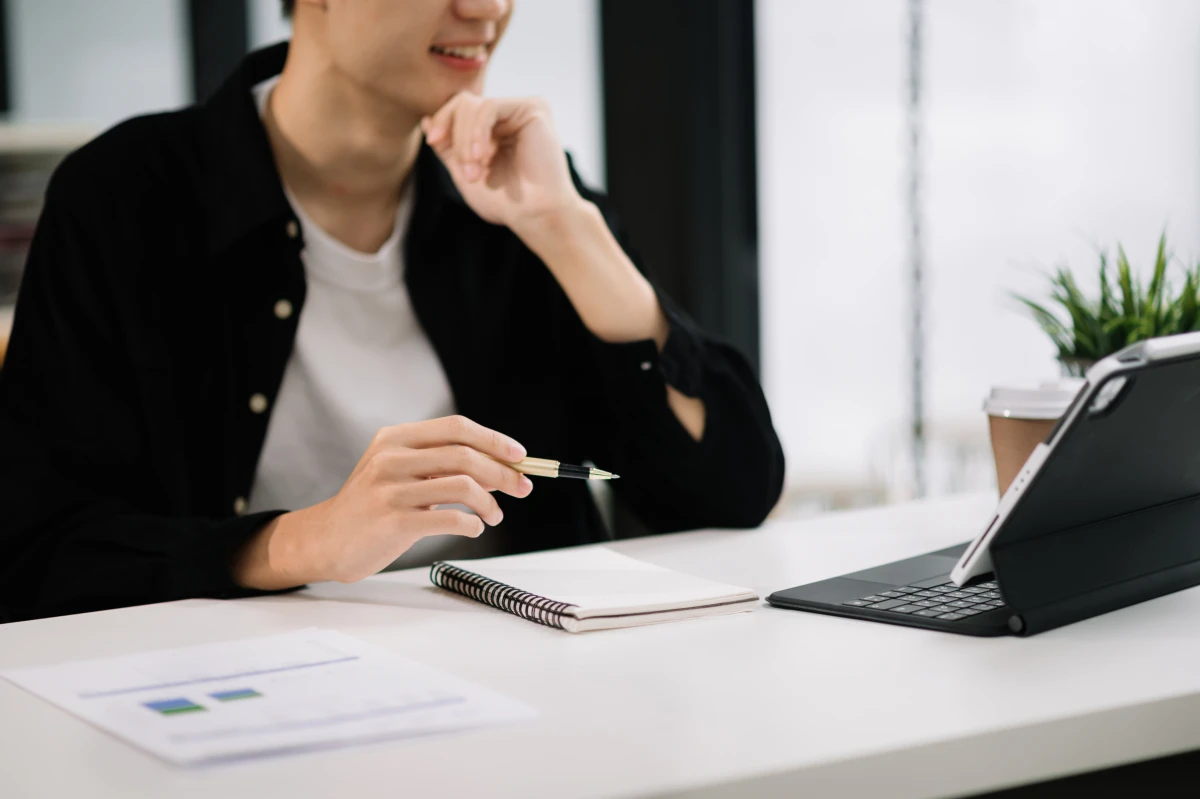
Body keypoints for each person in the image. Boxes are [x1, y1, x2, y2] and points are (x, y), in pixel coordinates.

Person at [0, 0, 784, 623]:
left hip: (531, 693)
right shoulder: (125, 198)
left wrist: (569, 229)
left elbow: (734, 489)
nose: (488, 8)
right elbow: (38, 555)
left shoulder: (515, 197)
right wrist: (305, 540)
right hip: (232, 698)